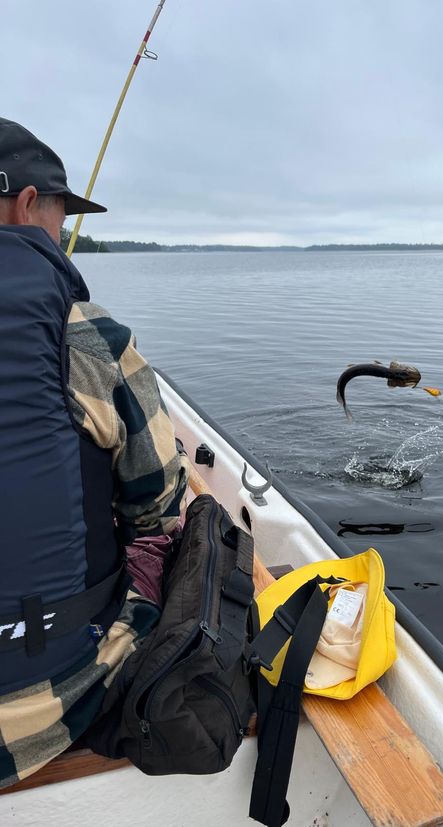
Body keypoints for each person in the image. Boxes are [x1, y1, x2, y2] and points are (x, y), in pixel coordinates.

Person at [0, 117, 189, 788]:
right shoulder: (89, 337)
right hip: (49, 698)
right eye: (59, 217)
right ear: (26, 205)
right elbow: (159, 509)